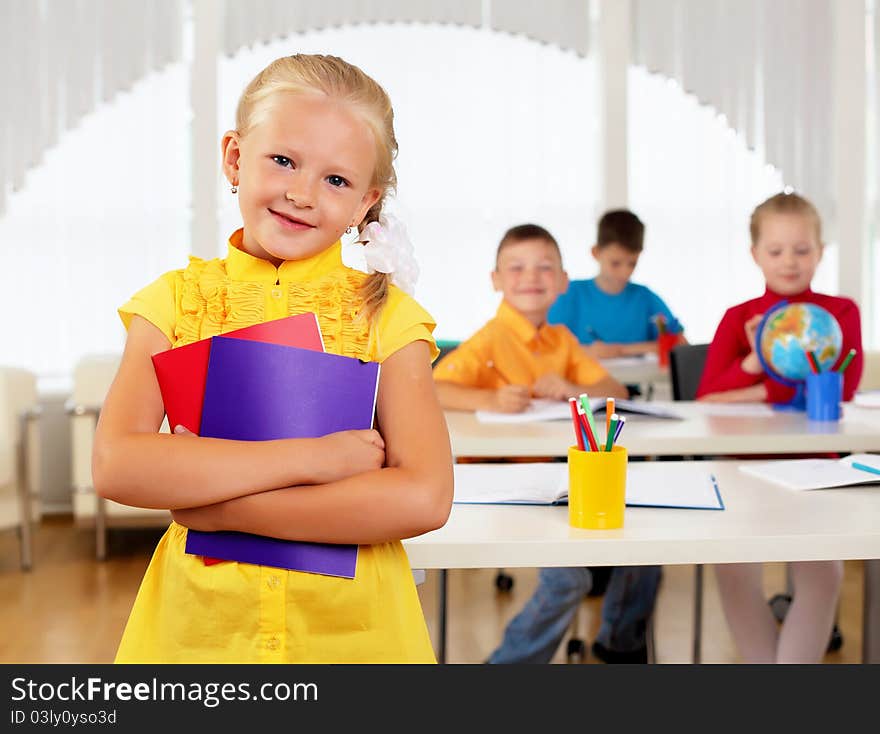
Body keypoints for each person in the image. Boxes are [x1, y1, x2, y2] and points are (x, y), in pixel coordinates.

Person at [92, 54, 453, 663]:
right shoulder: (174, 304)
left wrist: (222, 503)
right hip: (202, 641)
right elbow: (118, 464)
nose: (301, 194)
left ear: (366, 202)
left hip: (355, 640)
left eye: (336, 181)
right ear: (235, 158)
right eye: (283, 160)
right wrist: (318, 458)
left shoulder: (388, 319)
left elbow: (424, 497)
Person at [433, 223, 661, 664]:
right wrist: (490, 399)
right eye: (515, 268)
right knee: (568, 578)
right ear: (496, 280)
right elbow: (434, 388)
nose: (530, 277)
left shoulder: (561, 340)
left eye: (544, 268)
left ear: (561, 281)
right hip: (500, 485)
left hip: (559, 479)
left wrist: (573, 386)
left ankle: (619, 642)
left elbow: (620, 392)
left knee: (644, 544)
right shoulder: (489, 340)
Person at [698, 191, 863, 662]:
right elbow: (708, 396)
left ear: (820, 251)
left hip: (816, 466)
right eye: (776, 251)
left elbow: (840, 390)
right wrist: (755, 361)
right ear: (755, 255)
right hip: (741, 466)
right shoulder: (738, 318)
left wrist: (762, 389)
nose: (789, 262)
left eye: (802, 250)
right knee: (733, 570)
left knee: (823, 573)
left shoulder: (841, 313)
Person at [548, 209, 685, 359]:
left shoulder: (645, 298)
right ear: (596, 252)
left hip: (634, 381)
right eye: (615, 263)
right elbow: (546, 349)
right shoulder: (570, 293)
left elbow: (680, 343)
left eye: (632, 263)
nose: (624, 273)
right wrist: (588, 352)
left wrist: (620, 350)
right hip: (579, 383)